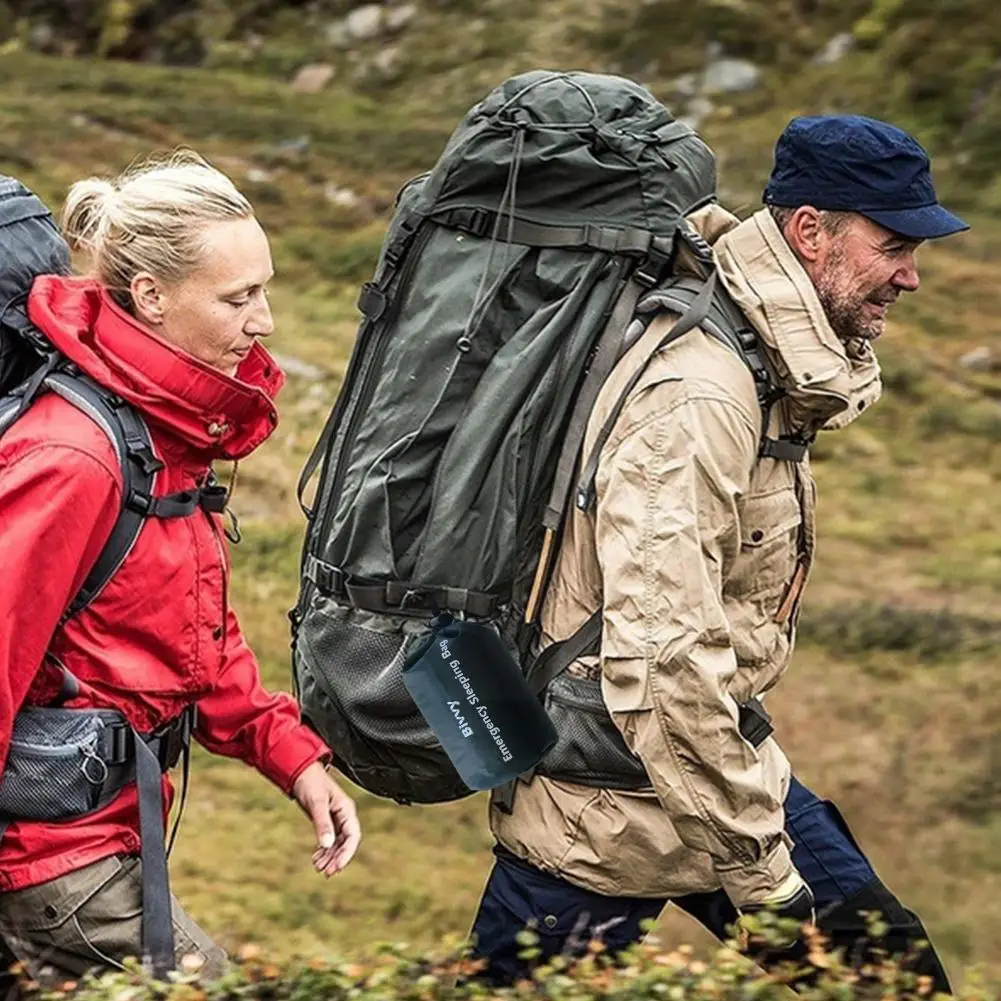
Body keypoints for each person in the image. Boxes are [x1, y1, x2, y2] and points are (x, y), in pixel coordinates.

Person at [470, 115, 967, 990]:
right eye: (893, 244)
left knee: (896, 978)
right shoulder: (700, 394)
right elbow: (664, 666)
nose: (910, 276)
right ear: (809, 232)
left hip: (710, 773)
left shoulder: (757, 356)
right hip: (604, 809)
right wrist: (765, 881)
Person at [0, 152, 360, 984]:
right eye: (238, 297)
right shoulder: (76, 455)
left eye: (264, 289)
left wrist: (292, 757)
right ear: (152, 296)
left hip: (111, 829)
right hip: (53, 856)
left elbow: (186, 629)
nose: (264, 320)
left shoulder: (163, 432)